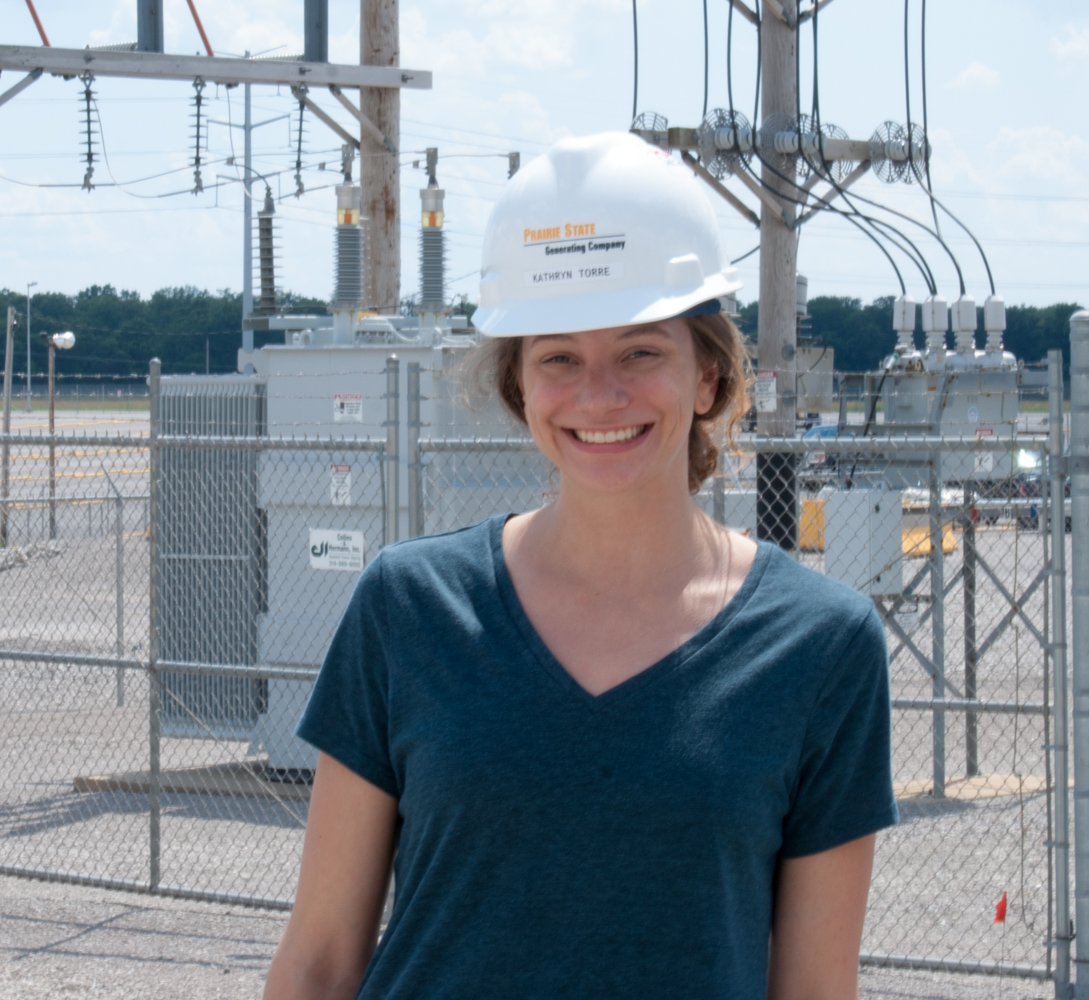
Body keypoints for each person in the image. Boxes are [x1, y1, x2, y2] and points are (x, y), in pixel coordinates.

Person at [264, 132, 897, 1000]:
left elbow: (815, 986)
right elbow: (319, 960)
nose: (599, 394)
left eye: (641, 351)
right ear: (520, 386)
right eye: (558, 357)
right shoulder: (408, 607)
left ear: (708, 377)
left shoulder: (819, 646)